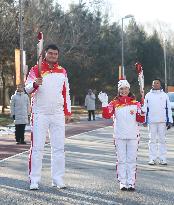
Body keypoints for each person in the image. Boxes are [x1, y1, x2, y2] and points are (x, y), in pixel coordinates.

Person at [25, 44, 71, 190]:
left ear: (58, 55)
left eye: (55, 54)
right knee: (37, 147)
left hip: (57, 113)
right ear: (45, 54)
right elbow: (27, 89)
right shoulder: (36, 69)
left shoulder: (62, 71)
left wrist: (67, 111)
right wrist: (35, 83)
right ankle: (34, 180)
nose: (53, 56)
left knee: (58, 148)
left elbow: (66, 92)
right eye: (50, 53)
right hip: (40, 113)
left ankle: (57, 178)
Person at [98, 80, 145, 191]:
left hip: (133, 135)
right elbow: (106, 115)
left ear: (129, 90)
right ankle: (123, 182)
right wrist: (104, 104)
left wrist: (143, 111)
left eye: (126, 88)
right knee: (121, 160)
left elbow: (141, 120)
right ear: (119, 91)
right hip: (119, 135)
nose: (124, 91)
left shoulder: (136, 103)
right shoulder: (114, 103)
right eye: (121, 89)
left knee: (132, 160)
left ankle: (131, 182)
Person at [142, 79, 173, 165]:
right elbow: (145, 108)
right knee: (152, 140)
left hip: (162, 121)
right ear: (152, 85)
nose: (155, 84)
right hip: (152, 121)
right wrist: (144, 119)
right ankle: (152, 158)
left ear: (160, 84)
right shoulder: (148, 95)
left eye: (157, 83)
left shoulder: (164, 95)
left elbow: (168, 109)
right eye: (154, 83)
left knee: (162, 140)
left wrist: (170, 120)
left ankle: (163, 159)